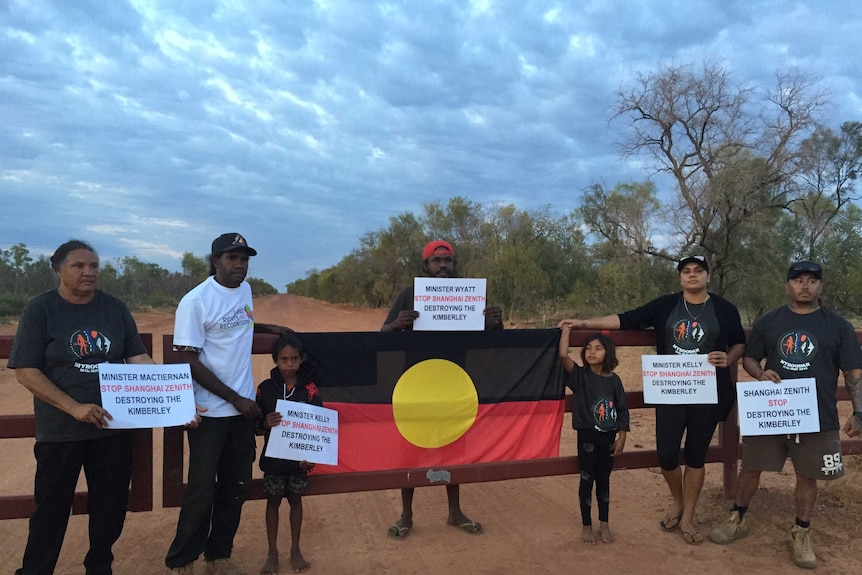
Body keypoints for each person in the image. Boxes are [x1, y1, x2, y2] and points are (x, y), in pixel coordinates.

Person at [7, 240, 177, 575]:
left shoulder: (114, 308)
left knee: (110, 507)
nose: (89, 272)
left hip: (113, 427)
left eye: (94, 266)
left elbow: (137, 357)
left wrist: (174, 393)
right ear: (59, 269)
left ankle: (100, 566)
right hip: (61, 431)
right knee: (52, 509)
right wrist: (74, 407)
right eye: (79, 266)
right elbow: (27, 371)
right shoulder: (40, 310)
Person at [559, 255, 745, 545]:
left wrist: (728, 358)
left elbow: (739, 342)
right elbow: (626, 319)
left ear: (707, 276)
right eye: (686, 271)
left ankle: (688, 516)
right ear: (680, 277)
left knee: (696, 456)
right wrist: (584, 321)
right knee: (667, 454)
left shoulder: (724, 308)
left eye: (698, 271)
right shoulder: (666, 305)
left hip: (709, 393)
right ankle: (678, 501)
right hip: (671, 390)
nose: (692, 275)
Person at [708, 261, 862, 569]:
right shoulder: (770, 321)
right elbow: (751, 358)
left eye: (812, 281)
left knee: (808, 475)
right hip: (771, 409)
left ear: (821, 286)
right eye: (798, 280)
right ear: (787, 285)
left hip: (817, 414)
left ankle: (801, 531)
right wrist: (761, 372)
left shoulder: (838, 325)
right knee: (751, 466)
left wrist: (860, 411)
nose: (805, 286)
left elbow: (853, 372)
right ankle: (738, 517)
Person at [165, 233, 290, 575]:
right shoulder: (196, 301)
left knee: (235, 489)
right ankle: (181, 561)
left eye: (244, 258)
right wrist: (236, 399)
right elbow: (188, 359)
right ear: (215, 260)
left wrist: (268, 326)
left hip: (242, 412)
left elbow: (239, 325)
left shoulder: (245, 291)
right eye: (232, 258)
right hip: (212, 413)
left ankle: (219, 557)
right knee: (201, 490)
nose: (239, 264)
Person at [381, 240, 503, 539]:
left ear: (454, 264)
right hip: (416, 383)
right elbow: (382, 335)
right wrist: (397, 324)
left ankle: (454, 511)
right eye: (436, 261)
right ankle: (406, 514)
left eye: (447, 261)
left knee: (453, 447)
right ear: (426, 266)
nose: (443, 266)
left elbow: (490, 340)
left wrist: (497, 324)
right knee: (410, 449)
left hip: (453, 382)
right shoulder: (409, 294)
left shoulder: (467, 295)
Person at [256, 333, 322, 575]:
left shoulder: (310, 389)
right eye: (284, 359)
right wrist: (265, 422)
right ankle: (272, 552)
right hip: (274, 461)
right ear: (275, 360)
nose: (289, 364)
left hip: (299, 461)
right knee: (272, 503)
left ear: (301, 359)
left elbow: (319, 424)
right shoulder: (265, 389)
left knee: (296, 501)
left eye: (294, 359)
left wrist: (312, 456)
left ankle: (295, 549)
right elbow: (255, 426)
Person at [557, 326, 629, 544]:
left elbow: (623, 409)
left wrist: (622, 437)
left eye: (598, 348)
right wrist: (566, 330)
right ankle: (586, 525)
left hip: (608, 439)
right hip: (587, 438)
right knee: (586, 480)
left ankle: (604, 524)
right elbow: (562, 355)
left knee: (604, 481)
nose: (591, 352)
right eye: (588, 348)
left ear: (608, 353)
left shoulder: (614, 380)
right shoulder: (580, 376)